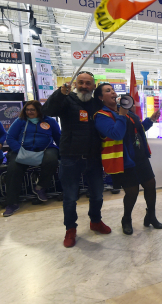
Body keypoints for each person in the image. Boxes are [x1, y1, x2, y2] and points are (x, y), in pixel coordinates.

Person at [42, 71, 111, 248]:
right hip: (70, 157)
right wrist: (59, 93)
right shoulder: (66, 100)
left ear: (94, 87)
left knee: (97, 194)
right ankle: (70, 229)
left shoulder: (98, 103)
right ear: (75, 84)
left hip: (94, 157)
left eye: (88, 83)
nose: (84, 86)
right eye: (81, 82)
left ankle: (95, 221)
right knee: (70, 197)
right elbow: (48, 111)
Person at [94, 83, 162, 235]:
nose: (113, 92)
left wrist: (150, 120)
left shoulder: (127, 111)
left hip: (140, 156)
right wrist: (121, 114)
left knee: (151, 185)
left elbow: (138, 129)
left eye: (113, 90)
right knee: (132, 192)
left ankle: (150, 216)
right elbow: (116, 134)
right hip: (123, 160)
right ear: (101, 98)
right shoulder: (101, 116)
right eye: (108, 91)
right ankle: (126, 219)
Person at [3, 101, 61, 216]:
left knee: (52, 159)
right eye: (27, 109)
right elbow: (10, 138)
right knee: (13, 169)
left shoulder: (50, 121)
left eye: (32, 110)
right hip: (22, 149)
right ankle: (12, 203)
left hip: (45, 149)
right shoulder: (20, 121)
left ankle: (40, 187)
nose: (29, 112)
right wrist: (20, 151)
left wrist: (63, 151)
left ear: (39, 110)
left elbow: (58, 138)